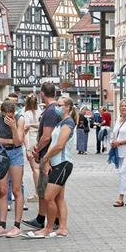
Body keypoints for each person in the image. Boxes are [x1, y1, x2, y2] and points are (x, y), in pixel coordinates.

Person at [28, 96, 76, 238]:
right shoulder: (61, 122)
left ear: (67, 107)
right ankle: (62, 228)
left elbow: (59, 145)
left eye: (60, 105)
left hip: (63, 164)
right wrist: (48, 161)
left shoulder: (68, 123)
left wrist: (47, 157)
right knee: (58, 198)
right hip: (57, 164)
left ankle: (48, 228)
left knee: (49, 197)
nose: (57, 107)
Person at [24, 82, 60, 230]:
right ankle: (52, 219)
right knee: (52, 191)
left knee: (44, 189)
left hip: (47, 155)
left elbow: (46, 136)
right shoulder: (53, 109)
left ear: (42, 94)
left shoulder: (50, 111)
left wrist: (37, 150)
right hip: (51, 155)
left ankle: (43, 219)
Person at [0, 99, 26, 237]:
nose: (8, 118)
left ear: (14, 113)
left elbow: (18, 141)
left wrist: (13, 127)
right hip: (1, 153)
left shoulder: (20, 119)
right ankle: (2, 225)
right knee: (3, 190)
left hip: (15, 153)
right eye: (5, 115)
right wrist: (9, 141)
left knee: (17, 189)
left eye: (10, 115)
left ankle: (17, 225)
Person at [22, 94, 41, 202]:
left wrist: (27, 148)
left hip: (31, 140)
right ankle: (41, 192)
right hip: (39, 140)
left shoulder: (26, 114)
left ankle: (37, 194)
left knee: (35, 169)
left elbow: (25, 132)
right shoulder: (40, 112)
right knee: (40, 168)